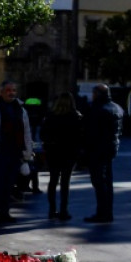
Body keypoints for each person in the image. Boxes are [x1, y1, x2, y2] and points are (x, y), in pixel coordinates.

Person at [0, 80, 33, 226]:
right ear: (1, 91)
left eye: (14, 90)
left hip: (15, 153)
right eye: (9, 90)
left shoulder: (21, 109)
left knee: (8, 186)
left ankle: (4, 213)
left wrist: (27, 151)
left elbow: (26, 131)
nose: (12, 93)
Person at [83, 84, 124, 223]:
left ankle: (103, 213)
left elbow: (90, 132)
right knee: (107, 182)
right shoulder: (117, 108)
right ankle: (107, 213)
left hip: (98, 150)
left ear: (98, 94)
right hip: (111, 149)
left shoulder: (97, 109)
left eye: (93, 93)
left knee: (99, 182)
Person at [40, 93, 83, 221]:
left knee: (53, 180)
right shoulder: (76, 117)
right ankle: (64, 210)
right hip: (69, 153)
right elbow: (80, 137)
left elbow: (43, 135)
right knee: (65, 182)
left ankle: (52, 209)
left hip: (53, 153)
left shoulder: (50, 116)